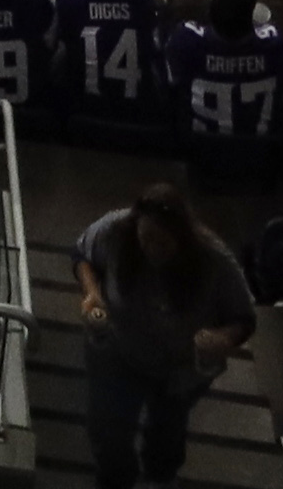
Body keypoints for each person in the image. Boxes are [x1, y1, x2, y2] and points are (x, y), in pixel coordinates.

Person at [77, 181, 260, 489]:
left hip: (179, 369)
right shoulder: (117, 229)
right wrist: (93, 294)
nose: (153, 250)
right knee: (108, 431)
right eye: (146, 240)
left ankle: (160, 477)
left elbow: (244, 318)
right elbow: (83, 254)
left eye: (163, 244)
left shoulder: (213, 259)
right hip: (119, 352)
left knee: (167, 433)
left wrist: (222, 339)